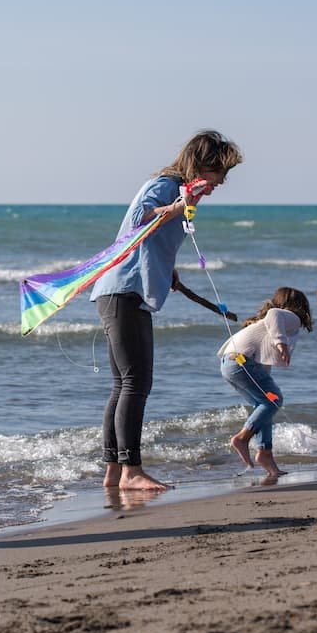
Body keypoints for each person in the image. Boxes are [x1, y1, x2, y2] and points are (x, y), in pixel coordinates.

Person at [89, 130, 243, 491]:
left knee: (123, 384)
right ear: (203, 166)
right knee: (135, 383)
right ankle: (131, 472)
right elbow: (141, 222)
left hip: (122, 291)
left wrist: (165, 269)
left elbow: (150, 238)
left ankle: (114, 472)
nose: (222, 181)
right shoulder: (165, 185)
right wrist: (178, 204)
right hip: (123, 291)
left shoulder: (179, 191)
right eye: (220, 172)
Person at [220, 287, 314, 477]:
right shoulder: (290, 317)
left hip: (230, 364)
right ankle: (242, 438)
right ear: (301, 306)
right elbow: (273, 314)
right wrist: (282, 344)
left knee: (265, 404)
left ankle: (266, 455)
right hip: (240, 362)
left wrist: (269, 390)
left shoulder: (267, 324)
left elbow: (264, 360)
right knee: (273, 400)